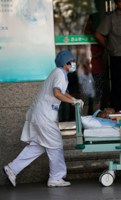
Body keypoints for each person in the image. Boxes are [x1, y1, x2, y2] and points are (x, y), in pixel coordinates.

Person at [3, 50, 84, 187]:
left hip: (40, 114)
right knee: (56, 143)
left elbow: (63, 92)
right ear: (66, 63)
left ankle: (12, 169)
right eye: (72, 61)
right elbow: (57, 93)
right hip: (44, 115)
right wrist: (72, 102)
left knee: (38, 146)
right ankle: (56, 178)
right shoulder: (59, 73)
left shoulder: (58, 73)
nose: (74, 63)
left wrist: (74, 99)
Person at [84, 1, 105, 113]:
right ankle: (84, 118)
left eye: (89, 19)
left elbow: (102, 49)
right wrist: (85, 61)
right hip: (84, 69)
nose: (88, 22)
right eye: (85, 20)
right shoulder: (79, 35)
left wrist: (91, 57)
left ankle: (96, 117)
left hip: (97, 68)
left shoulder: (95, 33)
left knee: (98, 93)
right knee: (86, 95)